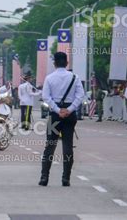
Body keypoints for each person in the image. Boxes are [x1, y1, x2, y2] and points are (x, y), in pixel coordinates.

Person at [39, 52, 85, 187]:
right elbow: (80, 95)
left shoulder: (49, 78)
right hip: (69, 115)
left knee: (50, 146)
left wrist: (58, 110)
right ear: (67, 63)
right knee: (68, 146)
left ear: (54, 63)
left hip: (55, 115)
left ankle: (44, 177)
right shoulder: (74, 77)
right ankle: (66, 178)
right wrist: (69, 109)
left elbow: (46, 97)